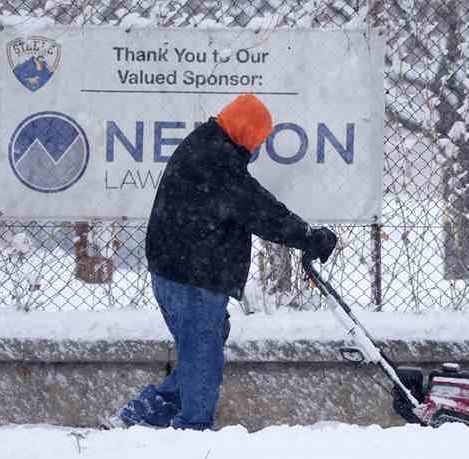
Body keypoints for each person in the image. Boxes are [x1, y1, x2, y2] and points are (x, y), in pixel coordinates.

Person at [106, 94, 337, 431]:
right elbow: (260, 210)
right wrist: (308, 237)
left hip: (176, 272)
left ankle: (142, 415)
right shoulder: (217, 161)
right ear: (246, 132)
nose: (257, 148)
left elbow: (247, 204)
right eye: (258, 140)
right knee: (203, 362)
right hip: (193, 278)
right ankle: (193, 435)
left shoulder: (207, 146)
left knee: (201, 351)